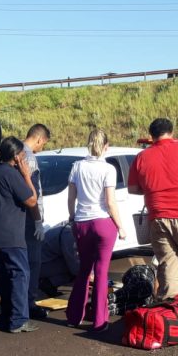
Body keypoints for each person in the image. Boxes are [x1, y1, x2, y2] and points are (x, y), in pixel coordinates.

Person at [128, 118, 178, 299]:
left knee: (167, 264)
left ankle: (171, 308)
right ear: (171, 132)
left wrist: (151, 189)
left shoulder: (142, 157)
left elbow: (132, 188)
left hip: (158, 217)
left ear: (151, 135)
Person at [66, 129, 126, 332]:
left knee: (84, 270)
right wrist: (120, 226)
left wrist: (72, 218)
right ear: (106, 146)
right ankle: (100, 321)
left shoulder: (77, 166)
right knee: (101, 272)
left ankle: (74, 316)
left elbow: (71, 198)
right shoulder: (108, 169)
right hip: (102, 223)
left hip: (82, 222)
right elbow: (110, 202)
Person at [0, 136, 38, 333]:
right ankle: (18, 320)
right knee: (20, 275)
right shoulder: (10, 173)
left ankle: (6, 318)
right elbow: (32, 200)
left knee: (7, 277)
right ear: (16, 157)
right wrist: (27, 176)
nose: (25, 157)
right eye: (23, 154)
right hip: (10, 236)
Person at [21, 123, 51, 319]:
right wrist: (38, 221)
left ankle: (19, 303)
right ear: (39, 139)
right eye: (43, 144)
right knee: (33, 263)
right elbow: (33, 194)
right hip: (30, 218)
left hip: (16, 217)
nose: (41, 148)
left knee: (20, 264)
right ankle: (29, 304)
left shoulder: (15, 152)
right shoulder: (30, 158)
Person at [38, 223, 78, 297]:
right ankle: (49, 283)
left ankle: (50, 282)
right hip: (42, 267)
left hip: (44, 263)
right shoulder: (68, 233)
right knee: (73, 268)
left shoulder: (67, 229)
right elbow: (74, 267)